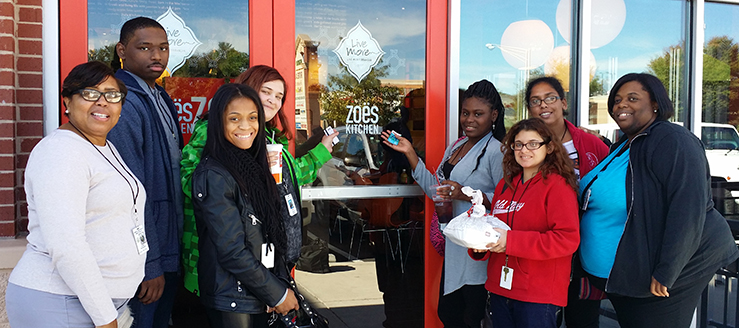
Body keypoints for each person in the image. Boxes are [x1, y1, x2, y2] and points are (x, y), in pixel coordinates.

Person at [578, 73, 739, 328]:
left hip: (661, 281)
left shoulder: (673, 139)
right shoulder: (624, 145)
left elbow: (687, 210)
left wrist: (667, 271)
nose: (621, 105)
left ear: (655, 103)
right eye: (617, 100)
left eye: (632, 98)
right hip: (624, 280)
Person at [5, 61, 145, 328]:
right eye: (90, 93)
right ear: (67, 100)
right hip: (59, 301)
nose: (103, 102)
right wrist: (105, 319)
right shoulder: (61, 153)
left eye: (112, 95)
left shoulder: (102, 146)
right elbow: (67, 246)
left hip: (94, 301)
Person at [180, 65, 338, 294]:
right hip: (219, 266)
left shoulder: (269, 138)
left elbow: (291, 176)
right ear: (248, 89)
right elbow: (191, 182)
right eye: (266, 92)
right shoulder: (213, 130)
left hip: (260, 262)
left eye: (279, 96)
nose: (273, 100)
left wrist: (322, 150)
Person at [382, 79, 506, 327]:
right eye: (465, 113)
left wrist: (466, 194)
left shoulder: (497, 151)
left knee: (467, 319)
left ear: (494, 115)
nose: (469, 120)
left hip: (477, 254)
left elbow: (506, 204)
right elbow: (435, 189)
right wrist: (410, 153)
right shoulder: (457, 146)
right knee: (448, 315)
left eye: (478, 114)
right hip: (453, 247)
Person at [191, 83, 300, 327]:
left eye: (252, 118)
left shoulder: (253, 167)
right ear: (219, 123)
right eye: (234, 118)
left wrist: (274, 286)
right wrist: (277, 293)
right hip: (233, 298)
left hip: (257, 292)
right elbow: (232, 252)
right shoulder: (215, 175)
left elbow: (266, 233)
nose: (245, 126)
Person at [108, 17, 183, 328]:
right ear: (122, 50)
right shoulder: (122, 101)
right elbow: (129, 193)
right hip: (145, 256)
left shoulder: (160, 96)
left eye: (163, 48)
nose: (157, 56)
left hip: (168, 242)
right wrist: (149, 264)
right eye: (145, 47)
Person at [470, 118, 580, 328]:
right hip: (500, 288)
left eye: (533, 144)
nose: (524, 150)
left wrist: (510, 241)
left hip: (537, 294)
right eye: (518, 144)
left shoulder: (558, 186)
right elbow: (495, 228)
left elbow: (567, 239)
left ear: (549, 147)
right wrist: (480, 245)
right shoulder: (505, 184)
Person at [524, 76, 609, 328]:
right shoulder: (522, 146)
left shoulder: (592, 144)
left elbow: (608, 189)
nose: (543, 105)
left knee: (582, 318)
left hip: (582, 248)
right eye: (535, 101)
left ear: (562, 102)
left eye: (550, 98)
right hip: (540, 246)